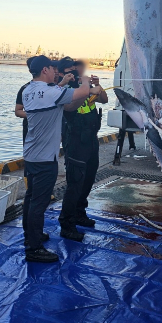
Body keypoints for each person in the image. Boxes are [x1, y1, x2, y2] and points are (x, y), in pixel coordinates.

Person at [21, 55, 97, 263]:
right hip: (45, 158)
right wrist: (85, 80)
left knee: (31, 198)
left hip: (32, 154)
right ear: (45, 70)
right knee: (39, 202)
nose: (56, 72)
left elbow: (69, 105)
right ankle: (34, 248)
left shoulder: (29, 90)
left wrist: (77, 89)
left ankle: (31, 236)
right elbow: (81, 91)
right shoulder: (50, 91)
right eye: (52, 69)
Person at [58, 57, 108, 241]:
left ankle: (80, 213)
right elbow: (70, 108)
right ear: (62, 73)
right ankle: (67, 224)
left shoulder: (83, 86)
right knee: (75, 184)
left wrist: (97, 86)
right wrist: (86, 91)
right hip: (76, 141)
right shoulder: (63, 89)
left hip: (91, 140)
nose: (76, 74)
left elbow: (104, 99)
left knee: (88, 179)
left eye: (77, 70)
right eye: (71, 71)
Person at [14, 57, 36, 146]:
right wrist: (35, 115)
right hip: (30, 126)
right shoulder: (25, 88)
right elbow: (18, 111)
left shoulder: (52, 88)